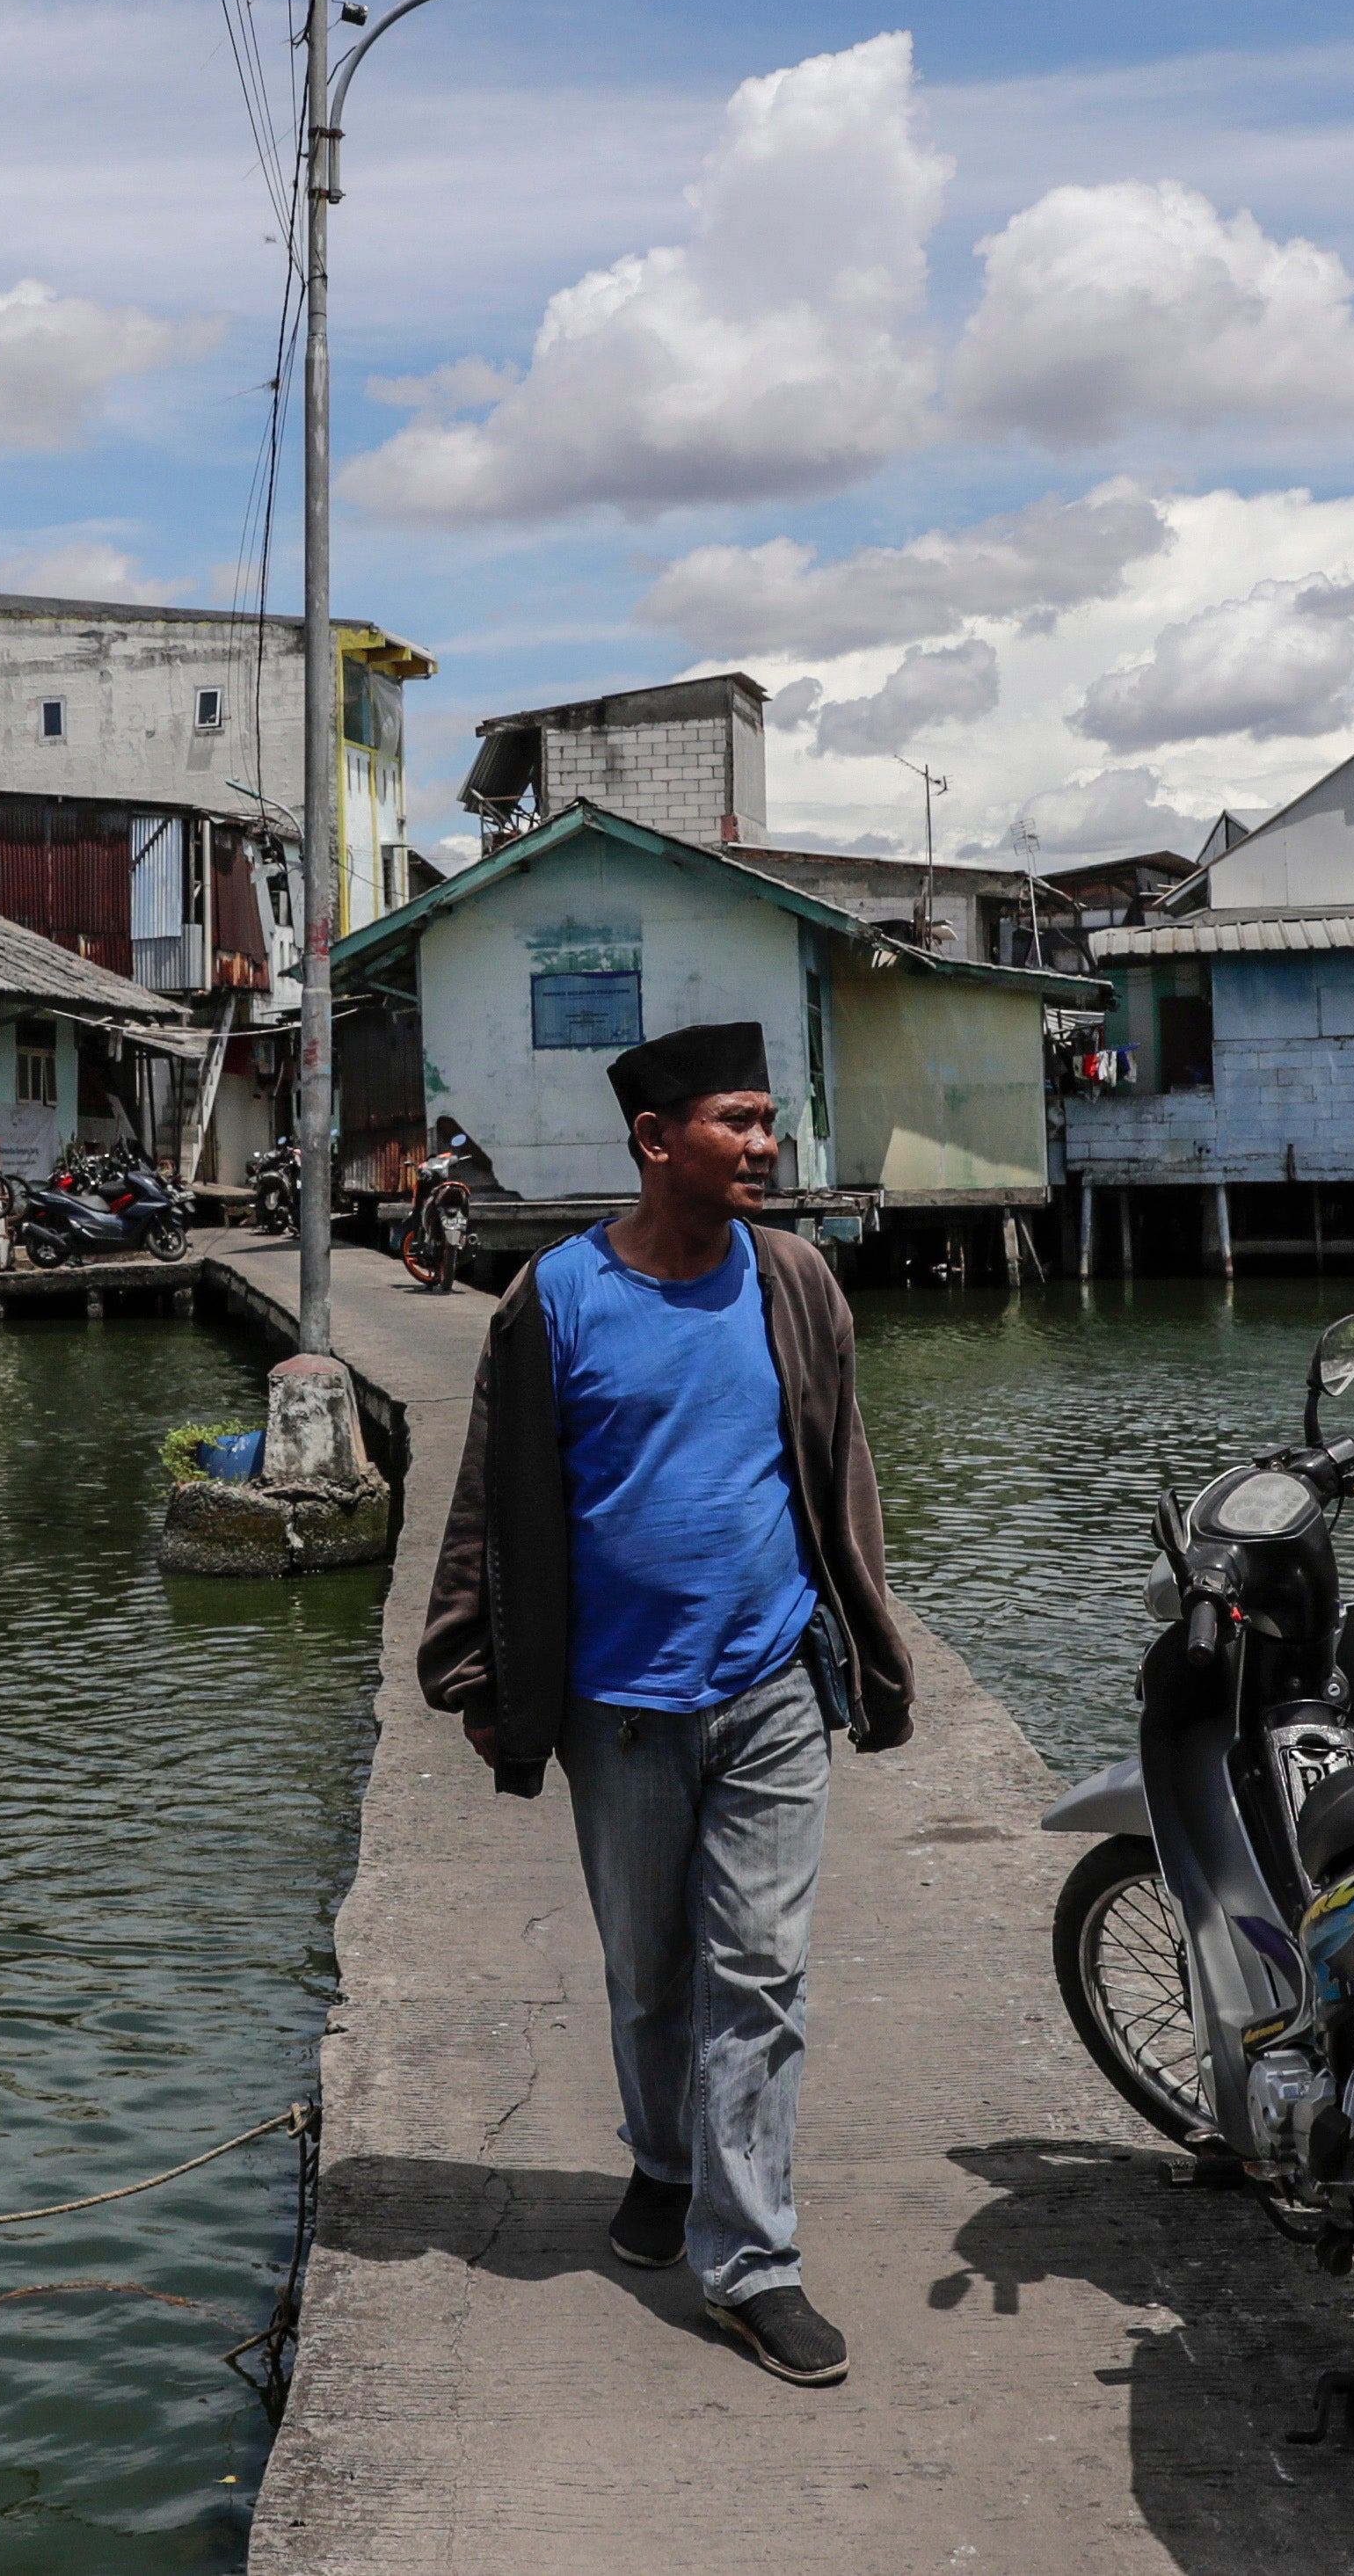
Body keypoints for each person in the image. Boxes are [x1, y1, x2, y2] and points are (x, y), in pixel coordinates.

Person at [414, 1017, 917, 2387]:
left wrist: (866, 1646)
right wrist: (477, 1673)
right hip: (613, 1706)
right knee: (651, 1974)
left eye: (767, 1119)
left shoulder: (796, 1282)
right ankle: (662, 2154)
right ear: (656, 1141)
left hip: (766, 1686)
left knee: (758, 1971)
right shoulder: (554, 1299)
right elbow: (493, 1502)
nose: (766, 1144)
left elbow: (841, 1473)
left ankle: (750, 2262)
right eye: (737, 1122)